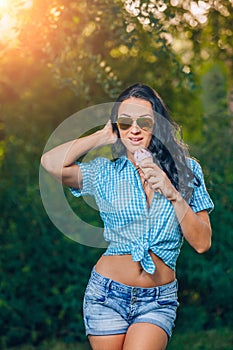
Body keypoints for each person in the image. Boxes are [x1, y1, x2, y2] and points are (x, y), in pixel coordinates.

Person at [41, 83, 214, 350]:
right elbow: (50, 163)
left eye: (144, 121)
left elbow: (202, 242)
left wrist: (172, 193)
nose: (134, 129)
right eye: (125, 122)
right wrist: (101, 136)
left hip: (157, 300)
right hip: (106, 294)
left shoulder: (186, 170)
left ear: (157, 124)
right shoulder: (105, 173)